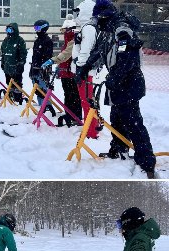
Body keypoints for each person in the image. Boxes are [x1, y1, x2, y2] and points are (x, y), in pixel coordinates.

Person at [78, 0, 156, 178]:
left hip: (129, 82)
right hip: (117, 82)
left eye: (99, 18)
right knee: (117, 118)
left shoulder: (121, 30)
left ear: (105, 16)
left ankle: (146, 161)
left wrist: (114, 78)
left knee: (133, 122)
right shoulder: (107, 32)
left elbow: (128, 58)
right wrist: (85, 67)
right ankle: (118, 150)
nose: (97, 22)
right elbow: (99, 51)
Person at [42, 14, 82, 127]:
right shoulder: (67, 40)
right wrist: (59, 68)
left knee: (74, 97)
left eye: (64, 29)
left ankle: (76, 117)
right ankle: (69, 115)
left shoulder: (74, 41)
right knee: (68, 96)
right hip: (65, 73)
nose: (63, 32)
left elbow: (66, 55)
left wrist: (54, 60)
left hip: (72, 74)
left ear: (70, 29)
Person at [71, 0, 100, 138]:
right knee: (86, 101)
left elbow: (86, 51)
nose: (75, 16)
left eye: (77, 13)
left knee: (87, 102)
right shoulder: (86, 27)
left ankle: (91, 131)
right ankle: (90, 127)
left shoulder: (88, 28)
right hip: (84, 70)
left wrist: (80, 68)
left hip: (85, 71)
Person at [29, 20, 56, 117]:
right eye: (35, 28)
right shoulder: (37, 41)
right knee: (37, 89)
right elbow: (34, 56)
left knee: (43, 89)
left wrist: (43, 68)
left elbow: (47, 56)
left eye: (38, 28)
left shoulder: (47, 41)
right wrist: (32, 68)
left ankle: (47, 106)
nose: (36, 30)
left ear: (44, 28)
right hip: (35, 68)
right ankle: (42, 106)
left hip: (43, 70)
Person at [1, 23, 28, 104]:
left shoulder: (20, 40)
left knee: (17, 84)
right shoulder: (6, 41)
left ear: (14, 30)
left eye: (10, 30)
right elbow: (3, 53)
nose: (8, 32)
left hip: (16, 67)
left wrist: (21, 63)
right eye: (7, 30)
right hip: (7, 67)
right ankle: (10, 96)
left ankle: (18, 98)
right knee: (9, 83)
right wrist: (3, 63)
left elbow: (23, 54)